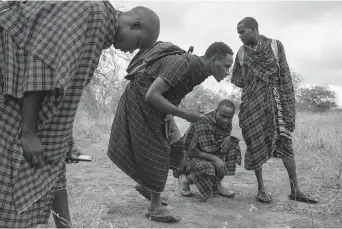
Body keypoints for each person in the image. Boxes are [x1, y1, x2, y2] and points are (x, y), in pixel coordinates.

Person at [0, 1, 160, 227]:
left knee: (52, 156)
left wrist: (65, 138)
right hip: (11, 76)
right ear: (134, 24)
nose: (131, 51)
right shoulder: (92, 12)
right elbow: (42, 63)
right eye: (139, 44)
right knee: (13, 167)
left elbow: (62, 88)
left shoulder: (98, 23)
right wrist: (28, 132)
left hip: (20, 86)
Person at [107, 41, 234, 223]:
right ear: (213, 60)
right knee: (159, 150)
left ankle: (147, 185)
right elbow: (151, 95)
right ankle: (155, 208)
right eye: (226, 66)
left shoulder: (201, 72)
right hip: (141, 101)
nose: (227, 72)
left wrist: (170, 111)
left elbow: (176, 91)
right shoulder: (182, 63)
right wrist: (184, 114)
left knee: (176, 146)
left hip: (159, 105)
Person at [231, 17, 317, 204]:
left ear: (254, 29)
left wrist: (288, 107)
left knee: (286, 143)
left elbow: (285, 76)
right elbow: (238, 80)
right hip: (252, 105)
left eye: (242, 32)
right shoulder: (241, 53)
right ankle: (261, 189)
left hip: (276, 103)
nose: (239, 36)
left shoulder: (275, 46)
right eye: (238, 33)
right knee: (255, 144)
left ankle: (295, 190)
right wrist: (247, 70)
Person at [176, 100, 241, 200]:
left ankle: (216, 184)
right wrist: (215, 158)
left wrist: (227, 137)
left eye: (229, 117)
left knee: (232, 147)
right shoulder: (201, 122)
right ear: (216, 112)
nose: (226, 120)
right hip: (189, 158)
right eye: (223, 116)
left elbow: (223, 134)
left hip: (208, 154)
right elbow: (188, 152)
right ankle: (185, 179)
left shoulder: (226, 122)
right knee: (207, 168)